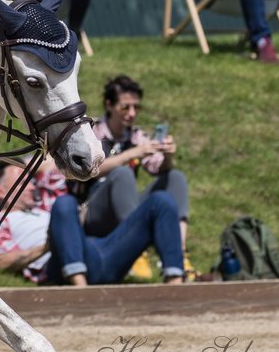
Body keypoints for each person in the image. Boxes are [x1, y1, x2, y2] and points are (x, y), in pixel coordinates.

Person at [0, 163, 187, 286]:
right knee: (65, 203)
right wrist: (47, 247)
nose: (32, 185)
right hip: (57, 262)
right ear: (0, 191)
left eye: (31, 180)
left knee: (161, 200)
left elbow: (52, 165)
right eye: (23, 181)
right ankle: (80, 287)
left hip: (95, 249)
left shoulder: (43, 203)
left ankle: (175, 282)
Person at [74, 75, 194, 270]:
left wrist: (168, 156)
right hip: (92, 212)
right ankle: (138, 252)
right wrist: (132, 154)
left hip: (123, 210)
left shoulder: (136, 135)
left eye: (136, 107)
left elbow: (158, 168)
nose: (131, 113)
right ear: (109, 105)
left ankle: (179, 252)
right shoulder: (91, 131)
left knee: (175, 177)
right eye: (125, 107)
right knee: (123, 174)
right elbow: (87, 171)